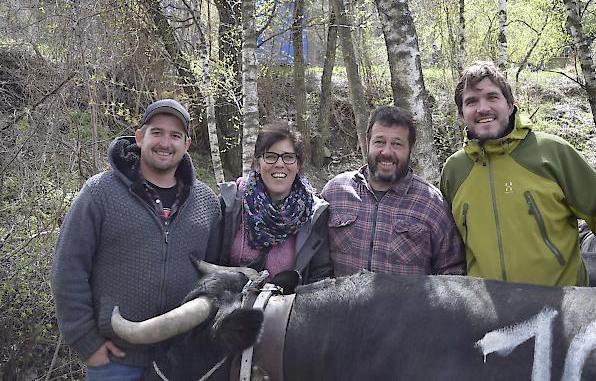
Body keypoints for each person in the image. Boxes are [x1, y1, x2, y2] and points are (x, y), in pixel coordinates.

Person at [440, 60, 596, 290]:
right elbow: (447, 247)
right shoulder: (454, 170)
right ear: (462, 113)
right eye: (471, 102)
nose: (482, 108)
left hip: (563, 309)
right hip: (491, 317)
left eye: (492, 97)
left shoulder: (552, 153)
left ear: (510, 105)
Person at [51, 99, 222, 380]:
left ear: (186, 144)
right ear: (140, 136)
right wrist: (86, 342)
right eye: (157, 132)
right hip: (115, 362)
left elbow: (213, 277)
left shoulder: (207, 202)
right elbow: (67, 270)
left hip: (182, 361)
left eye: (175, 136)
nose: (165, 142)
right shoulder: (99, 193)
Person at [321, 106, 465, 277]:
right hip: (342, 303)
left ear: (410, 148)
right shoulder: (335, 192)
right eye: (379, 142)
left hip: (408, 304)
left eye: (397, 144)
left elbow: (451, 272)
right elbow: (316, 262)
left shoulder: (432, 204)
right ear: (368, 143)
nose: (387, 152)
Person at [215, 122, 332, 283]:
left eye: (288, 157)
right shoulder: (231, 203)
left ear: (298, 165)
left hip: (289, 306)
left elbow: (320, 277)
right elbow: (210, 265)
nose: (279, 164)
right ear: (257, 164)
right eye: (270, 156)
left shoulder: (313, 214)